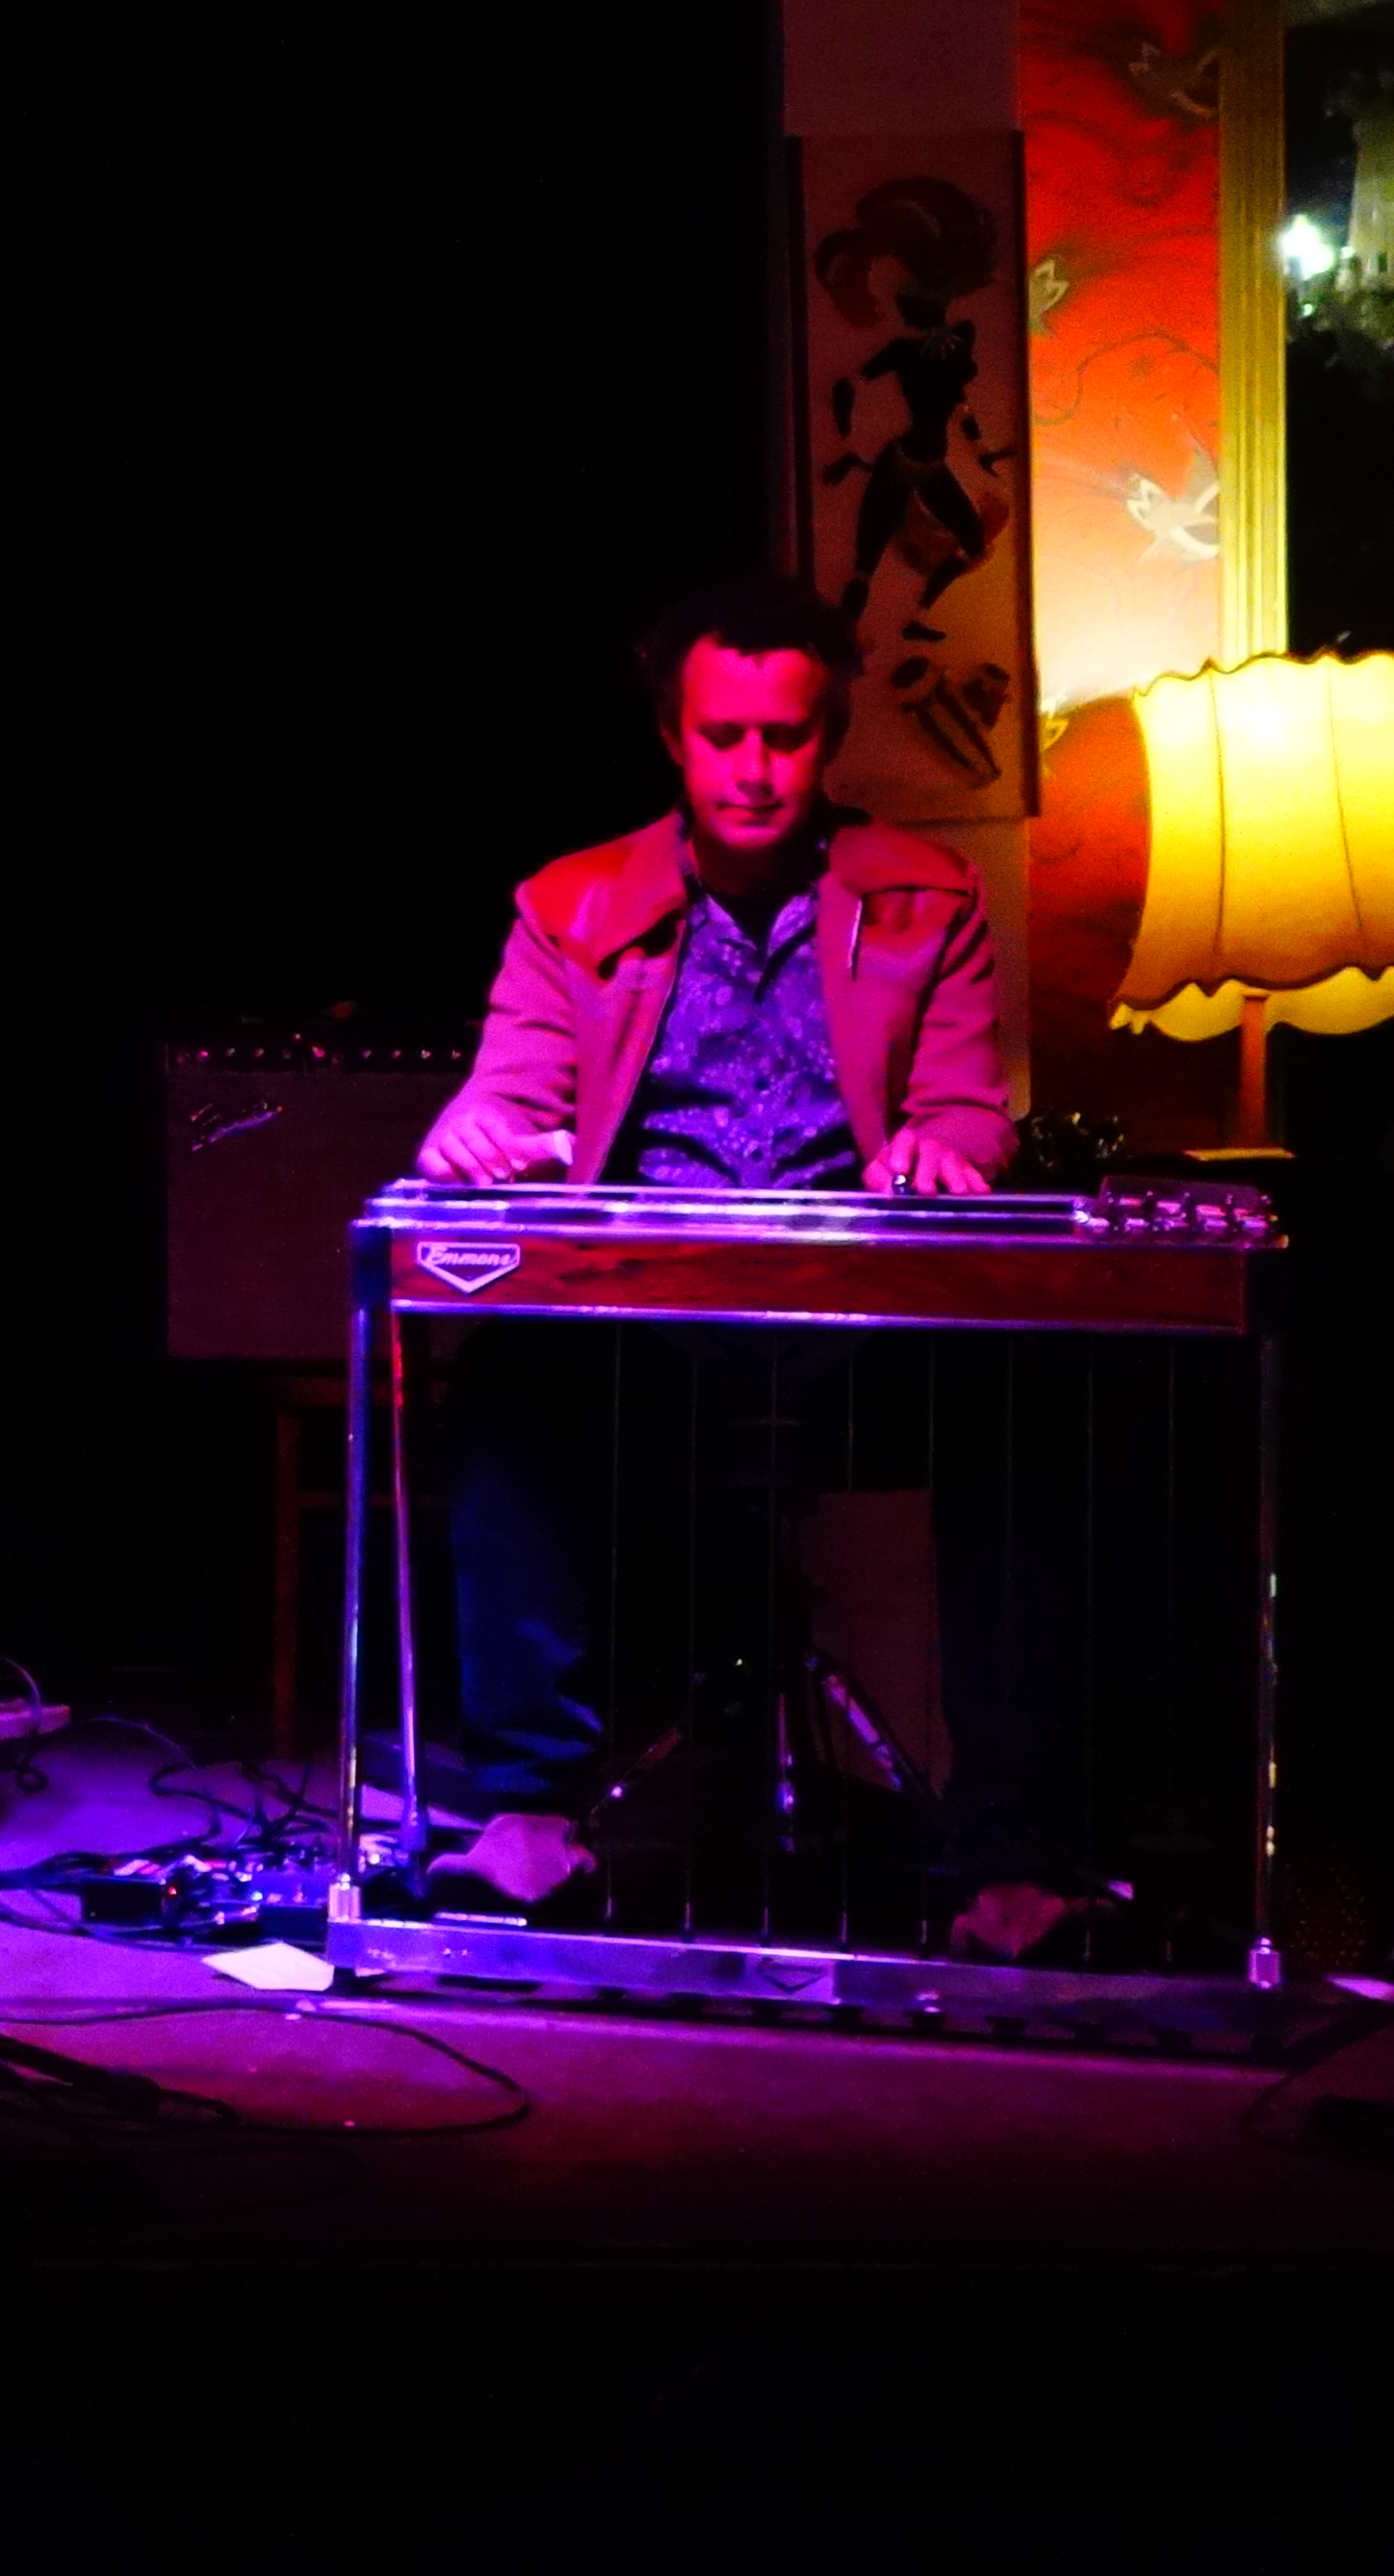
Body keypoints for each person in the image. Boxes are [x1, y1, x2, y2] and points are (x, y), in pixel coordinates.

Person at [406, 574, 1073, 1951]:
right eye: (724, 737)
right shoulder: (572, 902)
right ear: (672, 735)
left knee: (1025, 1412)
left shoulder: (927, 895)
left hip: (859, 1333)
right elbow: (509, 1092)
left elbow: (968, 1106)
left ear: (830, 739)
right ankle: (527, 1809)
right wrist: (479, 1131)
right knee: (507, 1390)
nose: (755, 770)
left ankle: (1014, 1852)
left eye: (786, 736)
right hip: (648, 1341)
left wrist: (947, 1150)